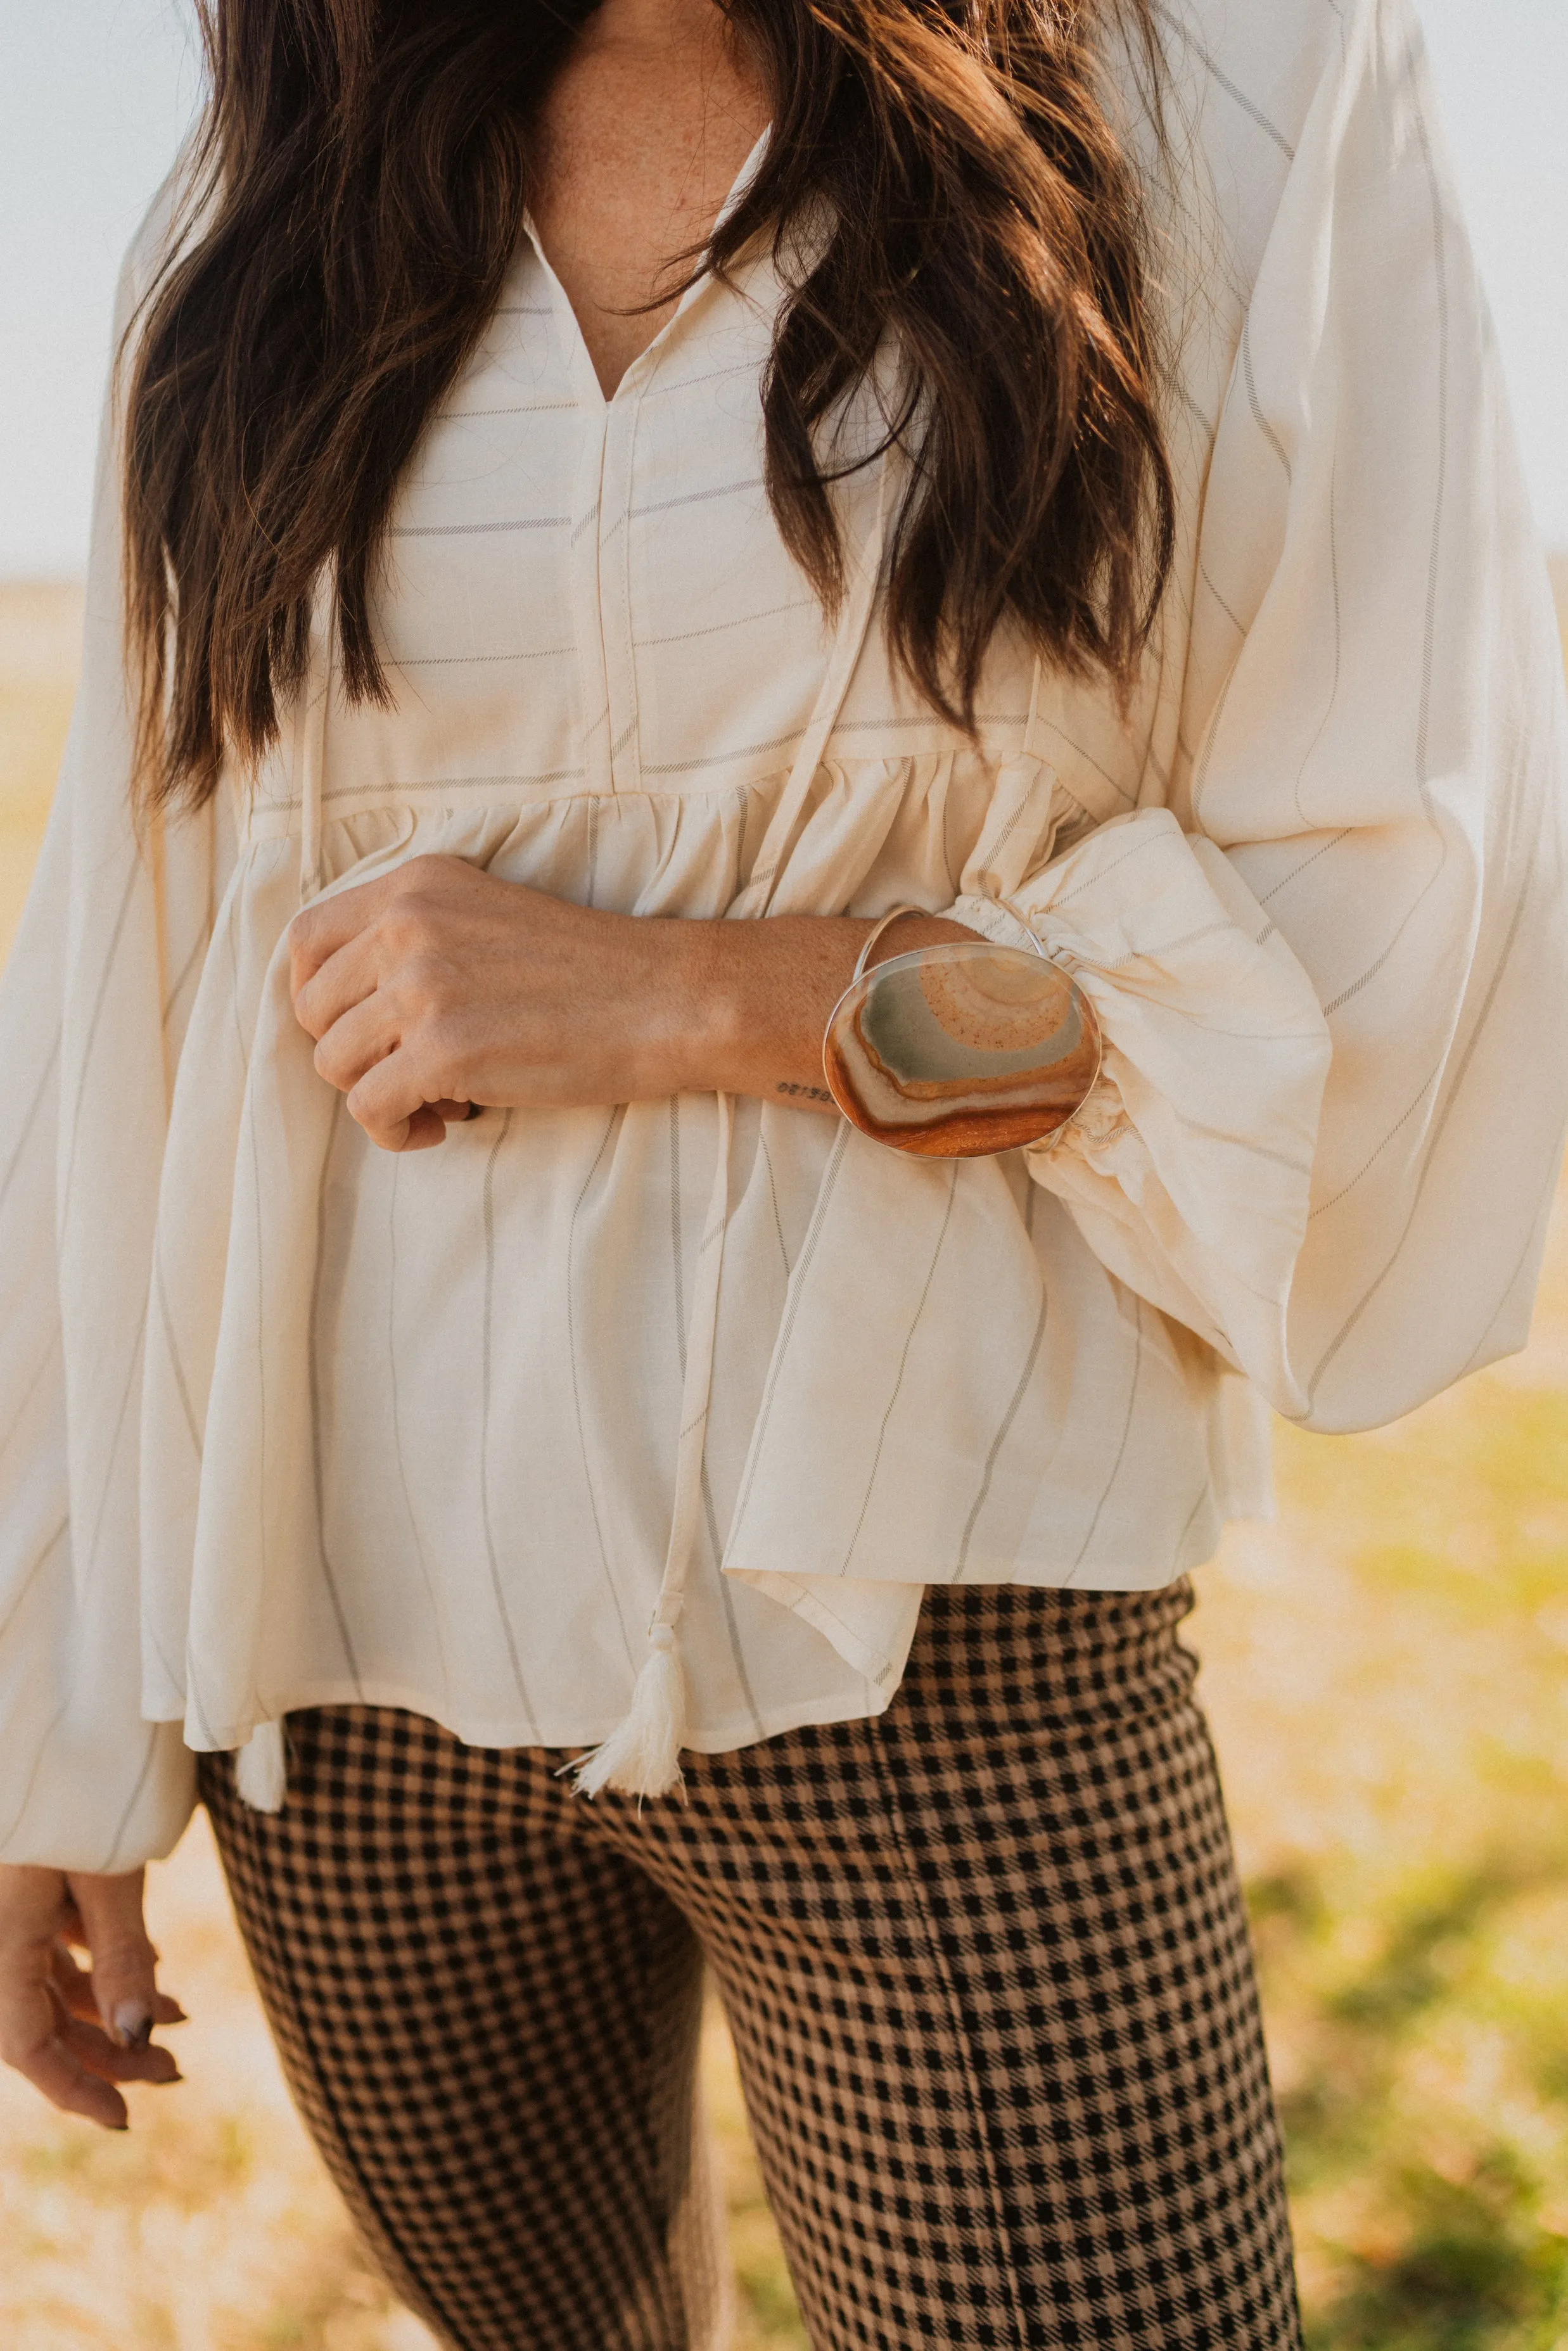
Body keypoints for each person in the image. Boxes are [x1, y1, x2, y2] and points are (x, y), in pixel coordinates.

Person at [1, 0, 1564, 2342]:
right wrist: (50, 1716)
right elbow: (118, 986)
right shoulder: (275, 179)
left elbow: (1382, 953)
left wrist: (708, 993)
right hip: (342, 1693)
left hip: (947, 1650)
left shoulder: (1237, 84)